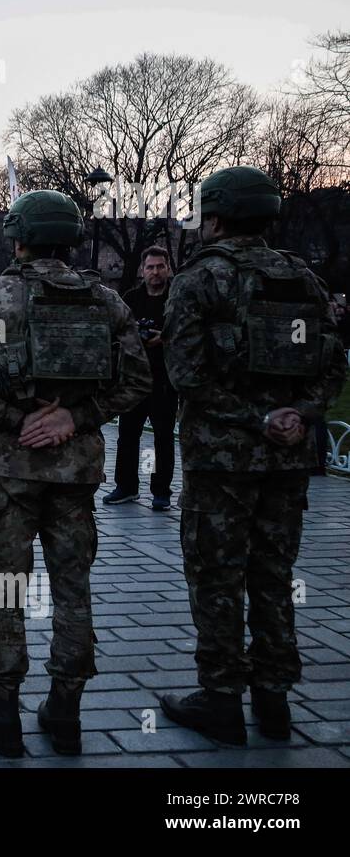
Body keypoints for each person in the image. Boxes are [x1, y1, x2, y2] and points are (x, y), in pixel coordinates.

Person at [0, 190, 151, 757]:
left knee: (7, 586)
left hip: (11, 470)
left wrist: (18, 417)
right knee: (73, 590)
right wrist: (73, 417)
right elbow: (136, 381)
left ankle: (2, 711)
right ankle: (66, 712)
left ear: (19, 237)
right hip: (77, 471)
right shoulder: (105, 300)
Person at [159, 166, 346, 745]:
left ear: (213, 215)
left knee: (216, 578)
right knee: (273, 576)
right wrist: (301, 416)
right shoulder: (303, 279)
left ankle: (220, 698)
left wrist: (253, 419)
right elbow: (333, 364)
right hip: (287, 462)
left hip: (222, 463)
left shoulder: (200, 279)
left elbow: (185, 374)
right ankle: (274, 699)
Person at [105, 246, 177, 510]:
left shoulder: (176, 299)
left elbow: (188, 334)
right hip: (133, 378)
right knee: (127, 435)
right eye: (150, 267)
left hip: (165, 380)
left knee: (163, 437)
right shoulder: (131, 299)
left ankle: (161, 491)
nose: (155, 272)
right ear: (142, 270)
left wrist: (165, 338)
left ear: (168, 269)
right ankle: (126, 487)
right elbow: (117, 331)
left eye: (160, 267)